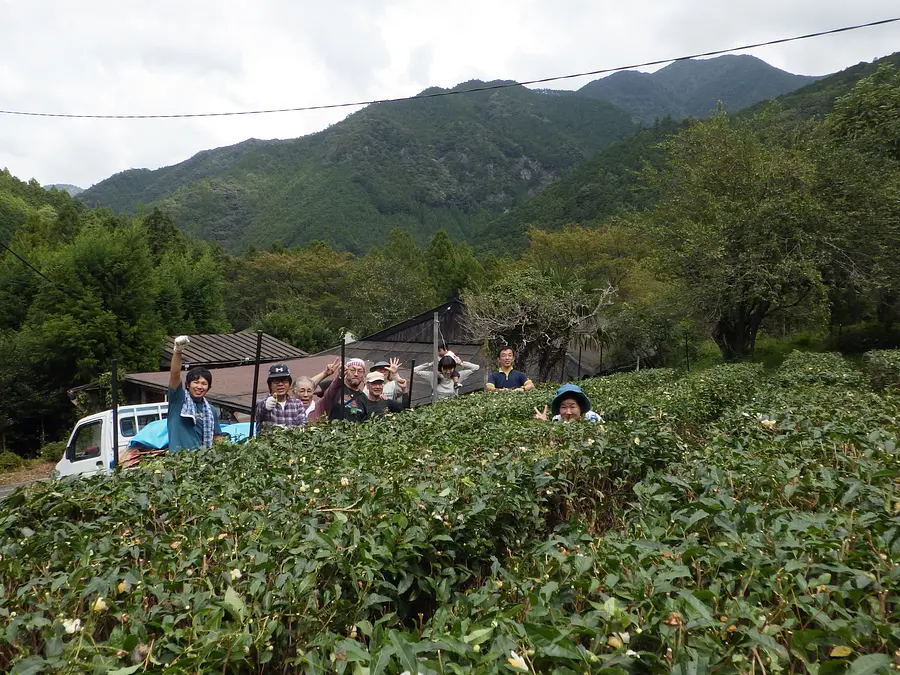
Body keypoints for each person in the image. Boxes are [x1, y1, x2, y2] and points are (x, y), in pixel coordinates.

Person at [167, 335, 222, 452]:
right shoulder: (178, 401)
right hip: (178, 464)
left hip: (200, 465)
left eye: (204, 383)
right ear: (187, 385)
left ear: (209, 388)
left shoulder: (210, 410)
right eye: (196, 382)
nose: (199, 387)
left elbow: (216, 437)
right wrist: (177, 352)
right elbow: (175, 375)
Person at [254, 363, 307, 432]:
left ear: (289, 383)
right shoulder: (262, 401)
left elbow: (303, 426)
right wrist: (265, 405)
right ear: (270, 385)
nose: (280, 384)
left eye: (284, 380)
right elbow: (259, 408)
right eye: (276, 381)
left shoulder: (297, 404)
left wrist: (285, 430)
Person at [320, 357, 369, 422]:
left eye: (360, 371)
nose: (356, 374)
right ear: (346, 371)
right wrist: (324, 374)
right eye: (352, 370)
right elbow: (307, 388)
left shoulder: (364, 398)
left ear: (363, 375)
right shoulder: (334, 386)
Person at [414, 355, 480, 400]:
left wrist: (461, 363)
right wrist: (430, 364)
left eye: (450, 368)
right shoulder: (433, 376)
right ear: (441, 368)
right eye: (445, 369)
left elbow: (476, 368)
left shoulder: (458, 376)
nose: (448, 372)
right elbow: (414, 370)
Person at [534, 384, 602, 423]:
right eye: (563, 407)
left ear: (580, 407)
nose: (568, 412)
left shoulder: (593, 419)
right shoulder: (557, 420)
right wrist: (545, 423)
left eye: (572, 407)